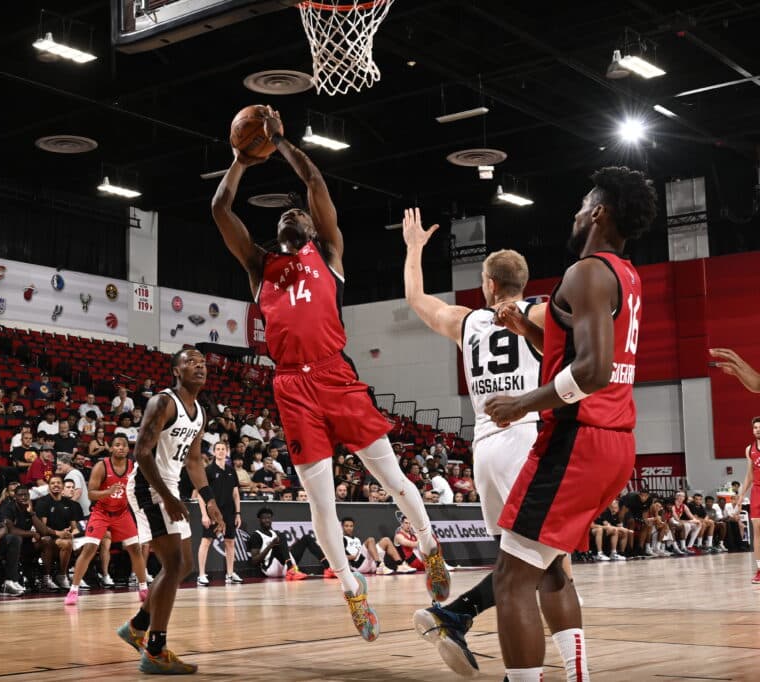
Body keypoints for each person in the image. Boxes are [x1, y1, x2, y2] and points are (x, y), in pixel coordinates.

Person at [211, 107, 448, 641]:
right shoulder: (259, 267)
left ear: (313, 228)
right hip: (291, 386)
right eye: (285, 216)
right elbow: (219, 207)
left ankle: (431, 549)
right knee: (321, 500)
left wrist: (282, 142)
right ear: (277, 233)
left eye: (300, 214)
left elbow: (314, 180)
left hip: (336, 376)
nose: (293, 214)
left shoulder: (332, 253)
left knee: (390, 477)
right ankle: (351, 589)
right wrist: (241, 160)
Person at [483, 166, 655, 682]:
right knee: (547, 567)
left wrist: (521, 405)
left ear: (599, 212)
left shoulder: (587, 272)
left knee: (511, 579)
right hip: (613, 441)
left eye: (584, 204)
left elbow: (592, 372)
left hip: (577, 441)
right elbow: (577, 359)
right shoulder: (625, 274)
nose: (577, 212)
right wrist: (528, 333)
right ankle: (575, 673)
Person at [404, 208, 560, 674]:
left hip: (484, 446)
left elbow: (416, 297)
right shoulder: (537, 312)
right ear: (519, 282)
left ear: (489, 284)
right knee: (543, 564)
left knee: (530, 561)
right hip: (525, 437)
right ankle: (456, 617)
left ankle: (459, 618)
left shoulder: (466, 322)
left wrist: (414, 248)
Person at [116, 349, 223, 674]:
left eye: (203, 363)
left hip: (170, 490)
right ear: (176, 370)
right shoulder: (162, 402)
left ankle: (137, 626)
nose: (200, 367)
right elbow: (142, 452)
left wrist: (209, 499)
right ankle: (155, 650)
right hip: (148, 488)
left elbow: (193, 461)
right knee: (174, 562)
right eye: (191, 362)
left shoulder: (200, 412)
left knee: (185, 563)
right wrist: (166, 495)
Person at [65, 435, 150, 605]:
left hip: (122, 513)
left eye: (124, 446)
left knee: (135, 549)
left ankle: (143, 588)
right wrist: (107, 492)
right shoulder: (101, 466)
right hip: (101, 512)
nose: (121, 448)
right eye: (117, 445)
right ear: (111, 448)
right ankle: (73, 590)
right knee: (89, 548)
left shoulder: (133, 467)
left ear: (128, 449)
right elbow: (91, 493)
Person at [195, 441, 242, 587]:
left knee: (230, 542)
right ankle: (201, 575)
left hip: (229, 512)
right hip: (213, 512)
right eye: (218, 449)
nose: (221, 451)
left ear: (227, 452)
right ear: (213, 452)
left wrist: (238, 513)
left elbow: (235, 494)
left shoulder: (231, 470)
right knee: (206, 541)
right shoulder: (208, 470)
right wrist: (204, 514)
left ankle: (230, 574)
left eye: (223, 449)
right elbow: (200, 495)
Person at [245, 507, 315, 579]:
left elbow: (284, 552)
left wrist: (294, 545)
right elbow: (254, 561)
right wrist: (271, 545)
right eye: (264, 518)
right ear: (259, 520)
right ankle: (291, 569)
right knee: (281, 536)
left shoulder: (275, 533)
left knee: (306, 538)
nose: (267, 520)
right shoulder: (256, 535)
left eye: (269, 518)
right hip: (270, 567)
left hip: (283, 566)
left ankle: (326, 567)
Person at [733, 416, 760, 583]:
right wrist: (741, 496)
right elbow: (749, 475)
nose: (757, 429)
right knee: (757, 531)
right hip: (757, 491)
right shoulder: (750, 449)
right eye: (755, 427)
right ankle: (759, 569)